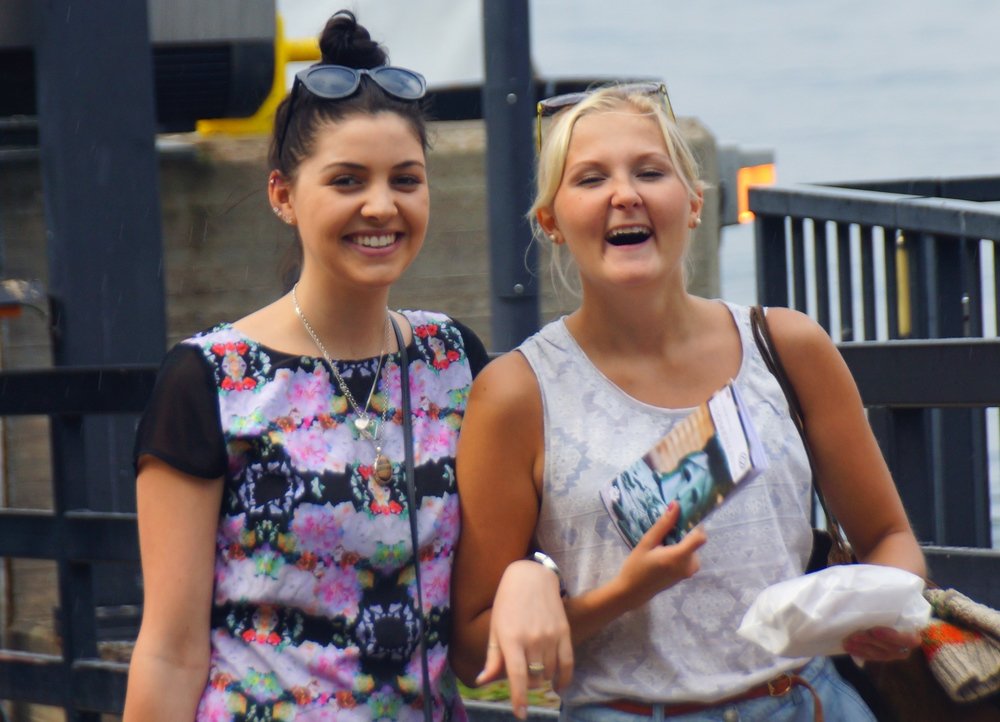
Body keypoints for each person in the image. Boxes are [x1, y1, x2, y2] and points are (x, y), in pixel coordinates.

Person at [123, 11, 558, 721]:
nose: (381, 206)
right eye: (348, 181)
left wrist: (531, 575)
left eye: (405, 180)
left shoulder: (454, 360)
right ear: (283, 196)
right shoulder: (208, 380)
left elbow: (508, 562)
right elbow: (170, 650)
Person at [450, 83, 926, 721]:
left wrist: (881, 610)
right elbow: (470, 645)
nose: (626, 193)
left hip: (805, 703)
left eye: (650, 171)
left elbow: (889, 537)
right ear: (551, 223)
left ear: (695, 204)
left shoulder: (786, 346)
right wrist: (620, 594)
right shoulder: (517, 392)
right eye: (590, 179)